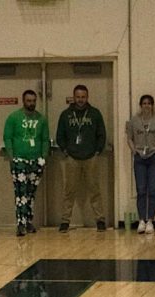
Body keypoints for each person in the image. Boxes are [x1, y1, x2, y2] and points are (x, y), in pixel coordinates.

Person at [55, 84, 107, 233]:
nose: (80, 100)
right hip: (72, 158)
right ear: (74, 97)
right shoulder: (65, 115)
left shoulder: (95, 113)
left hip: (91, 157)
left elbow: (101, 134)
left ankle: (100, 220)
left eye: (83, 97)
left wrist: (98, 150)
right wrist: (66, 150)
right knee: (69, 191)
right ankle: (65, 221)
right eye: (78, 97)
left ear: (87, 97)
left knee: (94, 189)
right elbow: (60, 135)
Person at [2, 90, 49, 237]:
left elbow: (45, 139)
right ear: (23, 101)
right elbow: (7, 137)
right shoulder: (13, 117)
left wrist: (43, 157)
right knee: (20, 193)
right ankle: (20, 224)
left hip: (36, 161)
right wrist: (12, 157)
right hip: (19, 160)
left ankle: (29, 221)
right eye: (29, 101)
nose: (31, 103)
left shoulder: (41, 119)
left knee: (30, 194)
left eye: (34, 101)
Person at [125, 95, 155, 235]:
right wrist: (134, 151)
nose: (146, 106)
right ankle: (141, 220)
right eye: (144, 103)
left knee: (153, 189)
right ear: (140, 105)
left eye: (149, 103)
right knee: (141, 190)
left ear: (152, 105)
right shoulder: (134, 120)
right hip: (140, 158)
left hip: (154, 157)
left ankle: (150, 220)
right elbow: (129, 138)